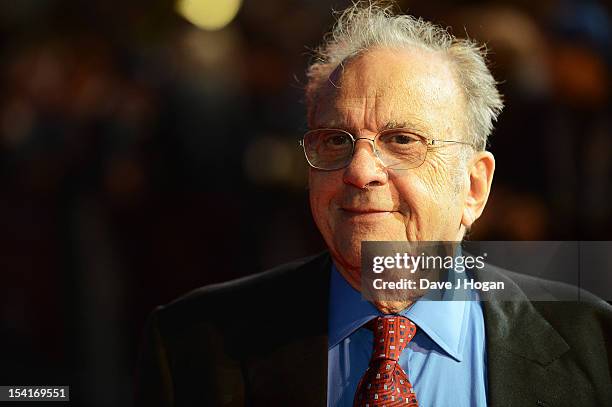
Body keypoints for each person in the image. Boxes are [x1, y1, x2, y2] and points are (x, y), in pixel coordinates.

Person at [135, 4, 612, 406]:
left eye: (402, 140)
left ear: (473, 187)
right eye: (336, 140)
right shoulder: (192, 345)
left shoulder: (595, 343)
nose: (360, 170)